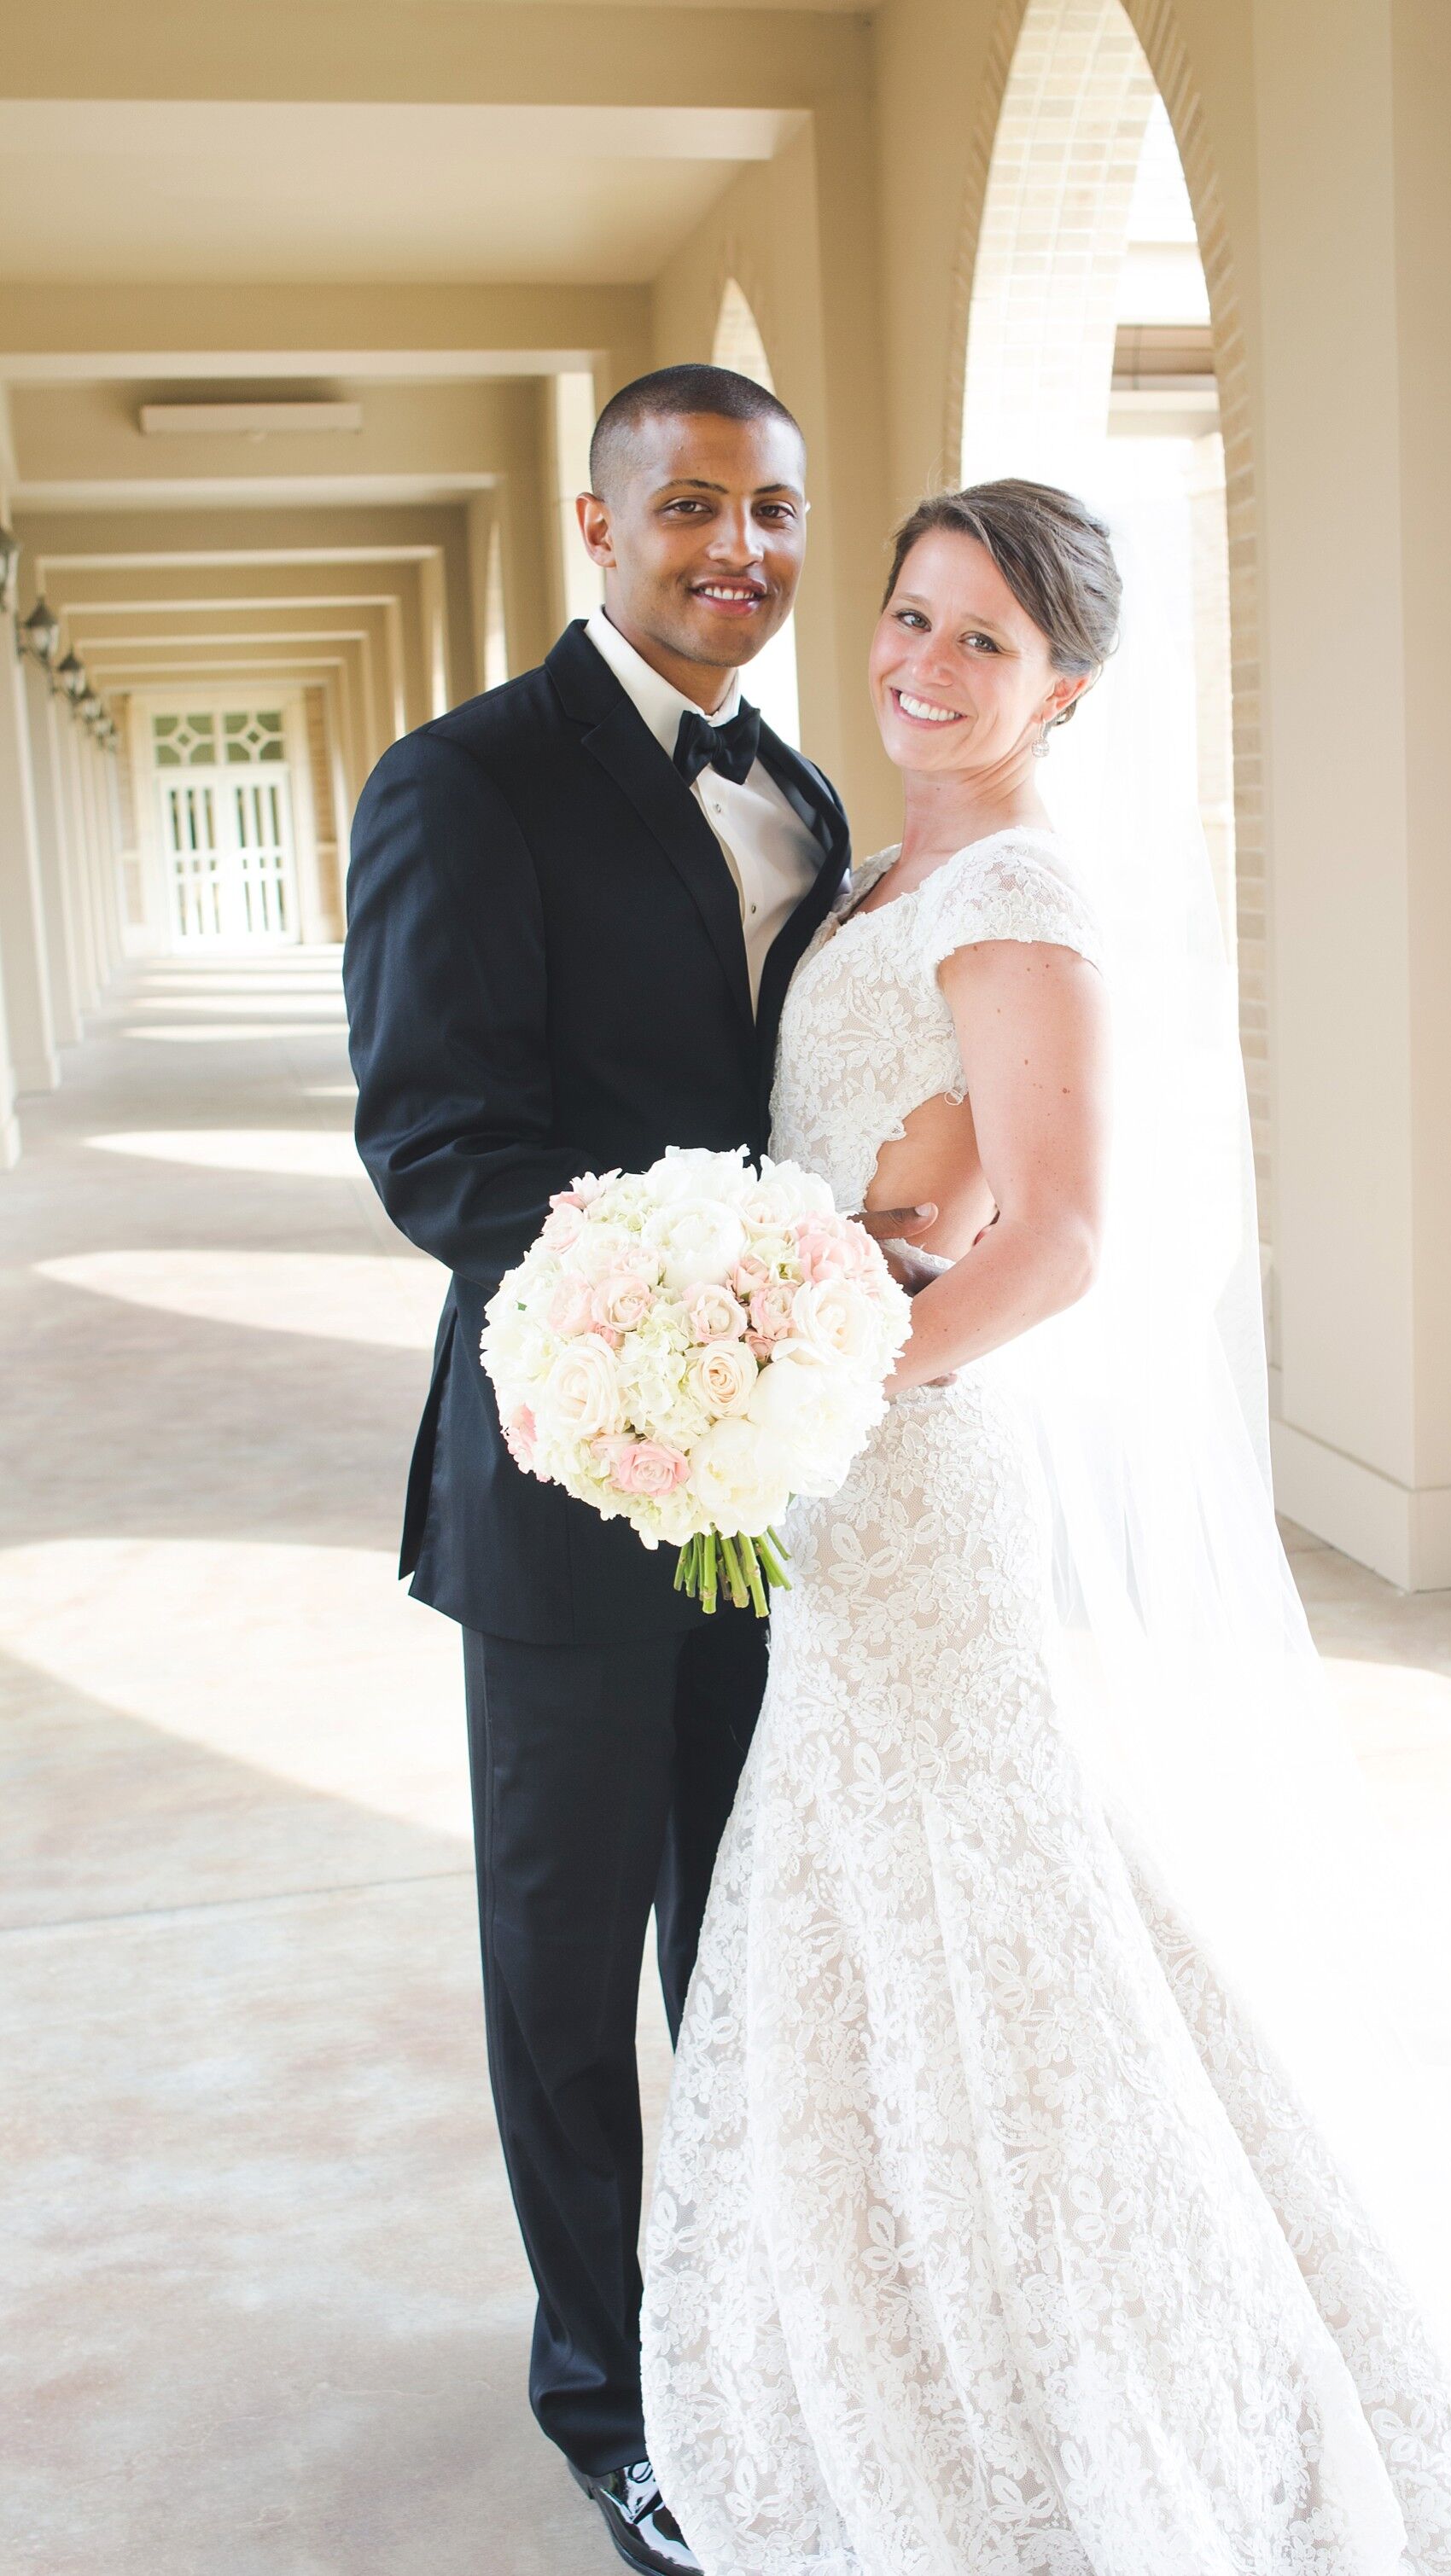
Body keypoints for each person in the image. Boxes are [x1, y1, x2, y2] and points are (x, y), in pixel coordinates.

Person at [638, 478, 1451, 2573]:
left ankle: (1107, 2356)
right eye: (911, 620)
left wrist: (803, 1393)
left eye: (983, 645)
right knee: (915, 1912)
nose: (924, 671)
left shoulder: (1008, 891)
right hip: (844, 1485)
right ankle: (917, 2308)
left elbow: (1062, 1243)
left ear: (1070, 688)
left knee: (986, 1902)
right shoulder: (872, 881)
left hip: (913, 1485)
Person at [343, 366, 926, 2576]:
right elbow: (442, 1145)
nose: (741, 552)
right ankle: (609, 2396)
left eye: (776, 511)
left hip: (779, 1489)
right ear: (600, 529)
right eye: (692, 506)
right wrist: (692, 1309)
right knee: (569, 1963)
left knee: (753, 1934)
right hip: (571, 1471)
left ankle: (751, 2317)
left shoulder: (797, 790)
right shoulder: (463, 782)